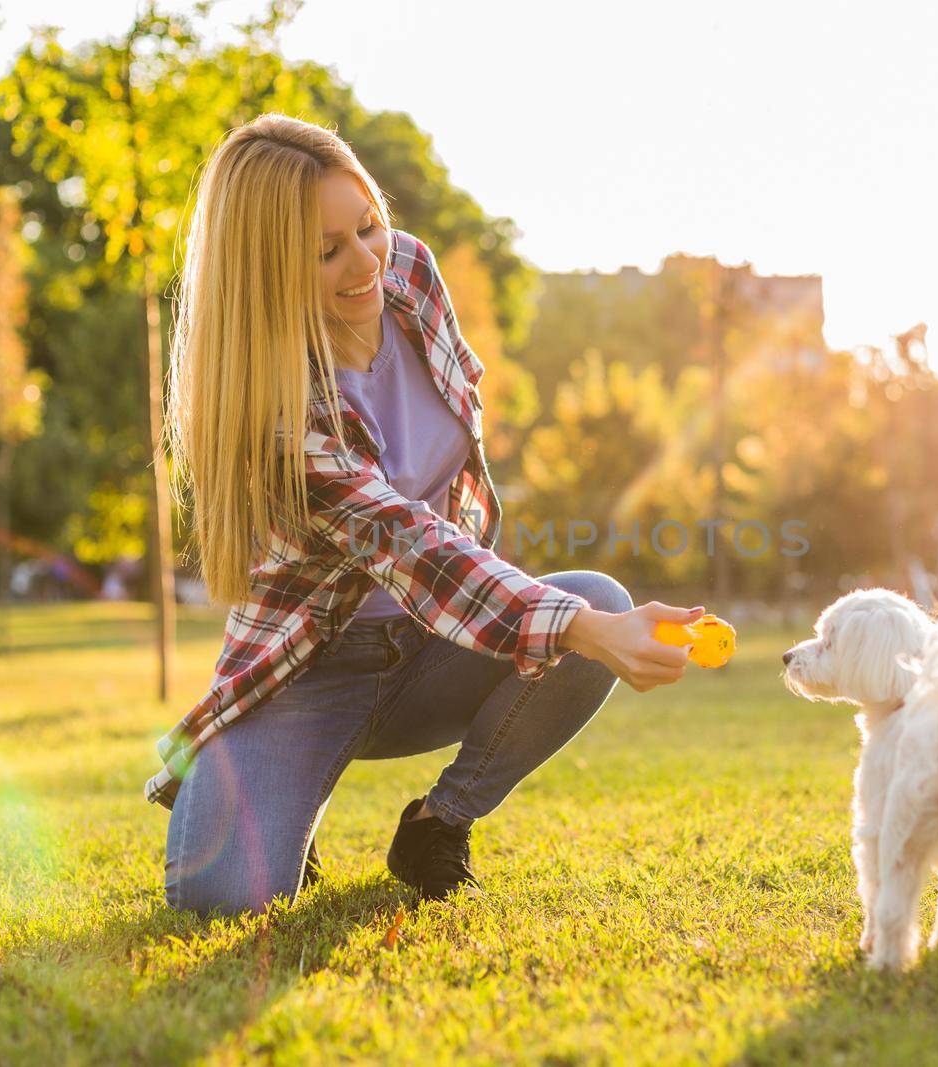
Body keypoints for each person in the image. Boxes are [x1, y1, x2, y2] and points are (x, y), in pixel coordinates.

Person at [156, 114, 703, 916]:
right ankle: (266, 794)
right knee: (220, 900)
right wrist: (580, 628)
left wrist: (587, 627)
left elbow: (449, 518)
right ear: (266, 272)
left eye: (368, 226)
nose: (365, 263)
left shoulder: (409, 274)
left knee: (599, 601)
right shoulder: (278, 415)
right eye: (326, 251)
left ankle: (437, 823)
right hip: (312, 667)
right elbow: (407, 541)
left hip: (433, 642)